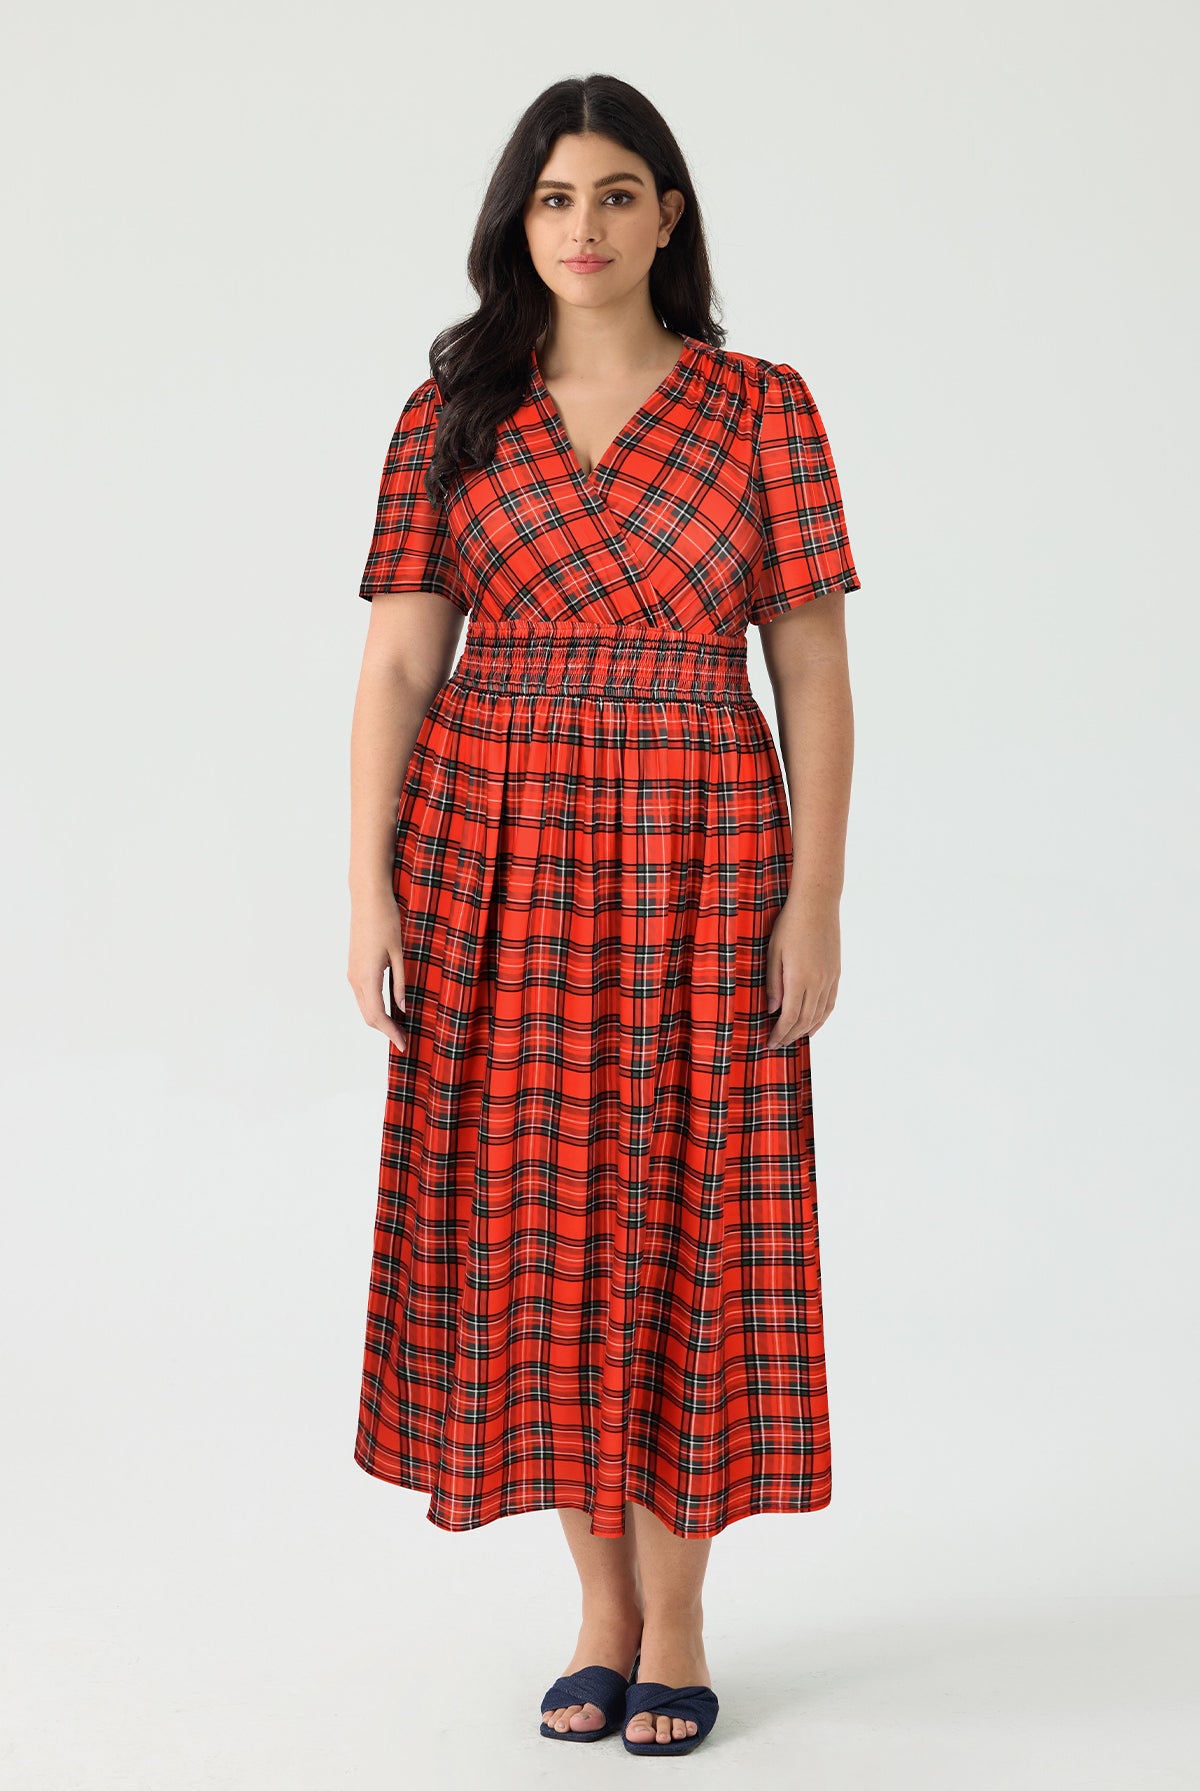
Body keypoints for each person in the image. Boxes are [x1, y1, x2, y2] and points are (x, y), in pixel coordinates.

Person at [346, 73, 861, 1758]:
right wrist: (367, 886)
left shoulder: (762, 408)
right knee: (544, 1221)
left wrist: (815, 900)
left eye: (618, 193)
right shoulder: (454, 411)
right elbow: (401, 662)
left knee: (691, 1212)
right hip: (491, 856)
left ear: (669, 216)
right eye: (556, 196)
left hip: (703, 849)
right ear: (520, 222)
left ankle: (682, 1618)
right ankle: (599, 1613)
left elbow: (810, 668)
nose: (585, 226)